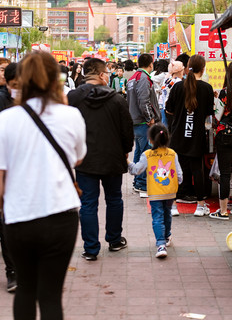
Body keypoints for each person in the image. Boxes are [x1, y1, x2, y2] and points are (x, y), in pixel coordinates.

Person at [0, 52, 87, 320]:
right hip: (61, 214)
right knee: (50, 295)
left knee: (26, 290)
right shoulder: (71, 116)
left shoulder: (6, 119)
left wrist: (3, 206)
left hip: (19, 216)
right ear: (56, 79)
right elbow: (78, 157)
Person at [68, 58, 134, 261]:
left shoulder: (73, 98)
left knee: (88, 203)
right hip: (113, 157)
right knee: (114, 198)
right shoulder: (117, 99)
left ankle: (90, 248)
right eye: (106, 72)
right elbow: (126, 131)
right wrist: (125, 151)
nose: (108, 75)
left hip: (84, 159)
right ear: (100, 74)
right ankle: (114, 240)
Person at [166, 54, 214, 216]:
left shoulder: (178, 87)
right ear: (203, 68)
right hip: (196, 136)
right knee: (197, 171)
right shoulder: (207, 88)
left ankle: (172, 206)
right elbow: (209, 112)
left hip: (178, 135)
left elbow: (169, 109)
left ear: (188, 68)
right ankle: (200, 206)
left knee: (174, 171)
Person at [127, 123, 182, 258]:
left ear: (150, 140)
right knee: (167, 213)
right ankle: (167, 236)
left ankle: (161, 244)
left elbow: (136, 170)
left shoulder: (147, 155)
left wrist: (127, 162)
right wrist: (176, 185)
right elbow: (179, 175)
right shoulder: (172, 154)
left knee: (157, 217)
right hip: (170, 191)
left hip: (155, 193)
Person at [0, 62, 18, 292]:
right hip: (8, 171)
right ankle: (13, 272)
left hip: (26, 174)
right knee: (8, 224)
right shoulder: (1, 101)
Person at [127, 53, 161, 192]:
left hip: (136, 121)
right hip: (143, 122)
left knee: (139, 152)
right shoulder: (143, 78)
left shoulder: (133, 78)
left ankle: (137, 181)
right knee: (146, 152)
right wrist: (150, 118)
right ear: (150, 64)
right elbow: (144, 100)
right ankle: (142, 183)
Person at [210, 61, 232, 220]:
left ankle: (223, 210)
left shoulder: (225, 93)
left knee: (225, 173)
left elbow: (216, 116)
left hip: (224, 135)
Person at [161, 60, 184, 128]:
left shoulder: (167, 80)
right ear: (179, 71)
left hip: (165, 109)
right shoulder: (179, 82)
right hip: (174, 112)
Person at [152, 60, 169, 125]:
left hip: (156, 100)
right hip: (162, 100)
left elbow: (151, 78)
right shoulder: (165, 75)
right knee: (163, 121)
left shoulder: (154, 74)